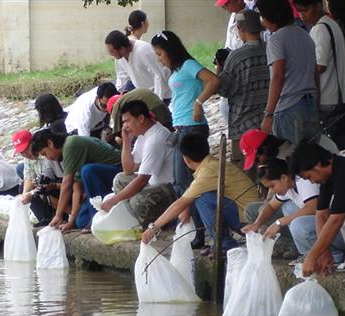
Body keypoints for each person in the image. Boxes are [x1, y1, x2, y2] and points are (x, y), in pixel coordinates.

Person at [151, 30, 221, 249]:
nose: (159, 59)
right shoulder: (178, 70)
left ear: (170, 51)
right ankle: (197, 231)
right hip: (181, 128)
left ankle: (204, 233)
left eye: (160, 54)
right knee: (182, 182)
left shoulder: (189, 65)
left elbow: (213, 80)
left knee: (189, 182)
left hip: (192, 128)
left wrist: (199, 103)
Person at [141, 132, 258, 252]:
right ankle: (223, 242)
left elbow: (181, 202)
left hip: (251, 223)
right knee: (198, 196)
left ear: (186, 159)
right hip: (251, 217)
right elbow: (191, 192)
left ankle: (224, 244)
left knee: (202, 199)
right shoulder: (211, 165)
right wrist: (186, 208)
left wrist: (153, 227)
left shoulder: (208, 171)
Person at [294, 0, 345, 160]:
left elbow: (320, 65)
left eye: (304, 10)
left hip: (330, 93)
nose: (301, 15)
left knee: (332, 144)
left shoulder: (321, 28)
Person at [242, 158, 345, 265]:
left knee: (298, 224)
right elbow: (271, 207)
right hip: (326, 229)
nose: (272, 190)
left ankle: (332, 256)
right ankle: (307, 253)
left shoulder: (303, 181)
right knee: (287, 207)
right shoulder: (288, 186)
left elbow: (313, 208)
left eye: (272, 186)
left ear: (283, 178)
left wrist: (280, 222)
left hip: (339, 231)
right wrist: (256, 224)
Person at [289, 143, 345, 276]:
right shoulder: (328, 177)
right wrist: (324, 252)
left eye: (309, 177)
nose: (312, 182)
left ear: (317, 166)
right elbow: (321, 214)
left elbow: (336, 220)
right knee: (340, 207)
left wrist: (312, 256)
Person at [100, 101, 175, 227]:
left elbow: (142, 180)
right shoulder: (143, 134)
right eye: (123, 122)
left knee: (137, 202)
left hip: (169, 189)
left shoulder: (155, 139)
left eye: (127, 121)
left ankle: (154, 223)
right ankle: (132, 216)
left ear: (141, 118)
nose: (125, 126)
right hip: (152, 184)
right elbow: (128, 169)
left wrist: (114, 201)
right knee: (120, 180)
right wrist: (127, 141)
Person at [255, 0, 320, 145]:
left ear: (271, 16)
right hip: (311, 103)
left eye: (262, 16)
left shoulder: (276, 39)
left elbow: (278, 76)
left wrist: (269, 114)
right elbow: (315, 73)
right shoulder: (305, 35)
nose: (262, 22)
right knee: (312, 159)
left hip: (289, 107)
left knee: (291, 159)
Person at [31, 129, 121, 232]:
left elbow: (67, 184)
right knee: (81, 222)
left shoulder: (71, 145)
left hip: (118, 172)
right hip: (101, 179)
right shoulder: (68, 151)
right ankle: (94, 217)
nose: (47, 158)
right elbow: (76, 188)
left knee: (87, 170)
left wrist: (58, 215)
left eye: (45, 154)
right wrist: (71, 221)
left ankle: (98, 216)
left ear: (50, 143)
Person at [218, 9, 270, 168]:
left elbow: (223, 89)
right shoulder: (271, 50)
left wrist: (219, 68)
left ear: (241, 30)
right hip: (268, 123)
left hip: (242, 125)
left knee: (245, 173)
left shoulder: (236, 56)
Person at [12, 129, 72, 228]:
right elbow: (28, 176)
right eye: (22, 153)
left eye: (26, 150)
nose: (25, 154)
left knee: (44, 189)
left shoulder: (47, 153)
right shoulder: (27, 158)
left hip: (57, 181)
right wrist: (26, 194)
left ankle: (65, 214)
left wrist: (33, 192)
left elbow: (51, 176)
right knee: (24, 187)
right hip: (44, 181)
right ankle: (46, 218)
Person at [105, 30, 171, 102]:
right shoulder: (119, 57)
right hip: (145, 95)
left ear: (121, 48)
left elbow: (159, 75)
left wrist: (157, 101)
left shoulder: (143, 50)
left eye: (112, 51)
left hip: (164, 94)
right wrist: (119, 97)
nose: (110, 54)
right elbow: (122, 76)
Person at [100, 87, 173, 136]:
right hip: (161, 105)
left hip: (155, 109)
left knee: (166, 136)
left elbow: (118, 132)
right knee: (169, 130)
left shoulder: (116, 106)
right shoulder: (128, 97)